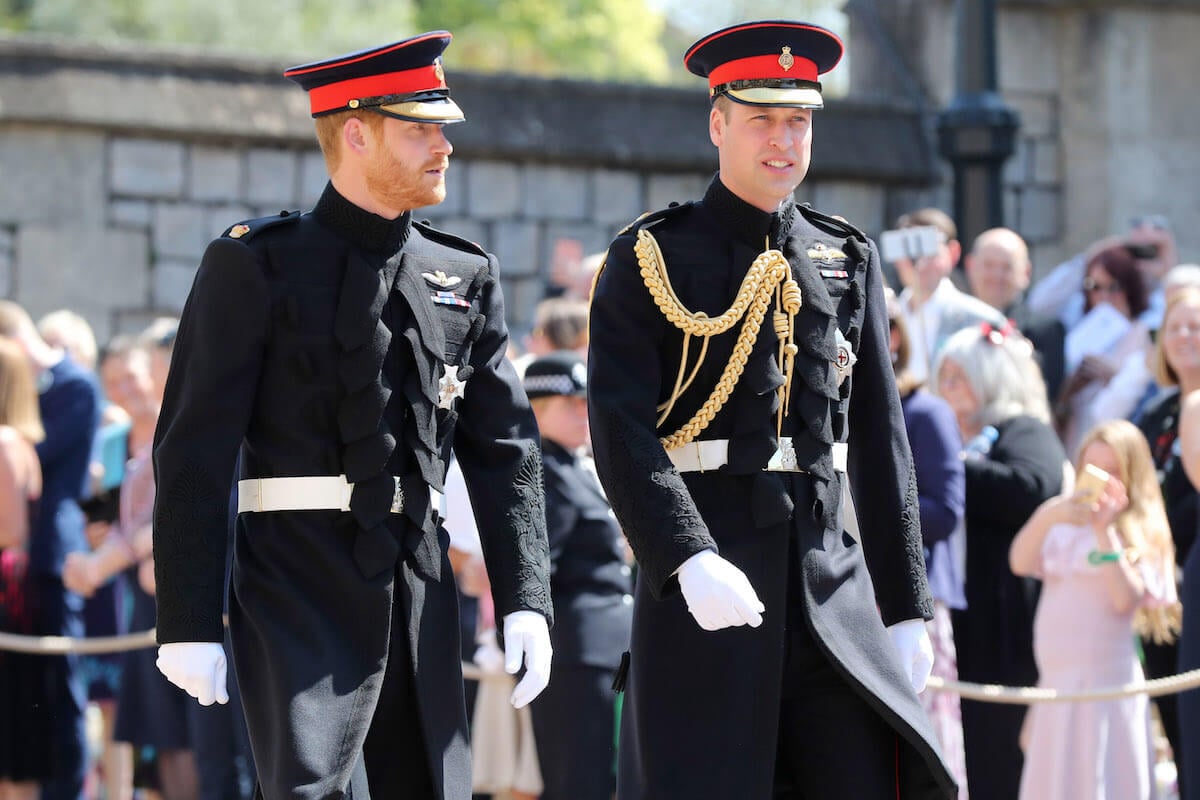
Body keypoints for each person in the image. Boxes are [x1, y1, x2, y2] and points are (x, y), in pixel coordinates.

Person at [150, 31, 553, 800]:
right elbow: (194, 450)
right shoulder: (256, 262)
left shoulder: (462, 273)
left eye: (444, 129)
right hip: (293, 577)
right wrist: (187, 618)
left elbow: (508, 453)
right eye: (420, 130)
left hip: (420, 580)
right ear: (357, 132)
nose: (444, 148)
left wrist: (526, 597)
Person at [588, 20, 956, 799]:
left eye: (799, 121)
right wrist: (686, 555)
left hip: (830, 587)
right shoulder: (650, 255)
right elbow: (620, 430)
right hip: (710, 583)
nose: (784, 140)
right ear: (718, 123)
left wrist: (906, 605)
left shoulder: (845, 254)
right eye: (762, 119)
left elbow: (880, 444)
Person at [931, 323, 1066, 800]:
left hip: (1008, 621)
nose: (947, 387)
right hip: (965, 614)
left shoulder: (1024, 428)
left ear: (990, 377)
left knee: (1001, 750)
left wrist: (953, 467)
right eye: (943, 376)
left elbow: (1032, 488)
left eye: (959, 376)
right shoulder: (946, 433)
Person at [1010, 419, 1177, 800]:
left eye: (1113, 472)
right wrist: (1053, 513)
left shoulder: (1138, 529)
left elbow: (1125, 599)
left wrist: (1106, 531)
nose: (1101, 483)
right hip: (1056, 685)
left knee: (1104, 780)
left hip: (1106, 689)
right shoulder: (1063, 524)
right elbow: (1020, 561)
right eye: (1094, 469)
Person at [0, 300, 101, 800]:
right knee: (31, 690)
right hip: (24, 565)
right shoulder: (44, 389)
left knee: (63, 687)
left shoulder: (76, 384)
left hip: (52, 557)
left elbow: (34, 451)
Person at [523, 351, 632, 800]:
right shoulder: (546, 472)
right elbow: (537, 567)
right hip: (576, 652)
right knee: (578, 780)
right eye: (569, 405)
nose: (582, 414)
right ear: (536, 407)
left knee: (603, 779)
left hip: (606, 650)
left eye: (584, 403)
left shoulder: (574, 468)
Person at [886, 291, 969, 798]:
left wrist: (865, 521)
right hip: (845, 603)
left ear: (893, 337)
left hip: (911, 603)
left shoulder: (925, 412)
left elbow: (945, 511)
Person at [1137, 285, 1200, 791]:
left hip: (1193, 575)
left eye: (1195, 326)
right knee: (1177, 724)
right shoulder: (1156, 413)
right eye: (1175, 327)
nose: (1184, 336)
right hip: (1160, 594)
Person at [1055, 244, 1154, 457]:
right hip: (1076, 438)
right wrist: (1068, 389)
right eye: (1095, 286)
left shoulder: (1143, 334)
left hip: (1119, 442)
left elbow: (1149, 396)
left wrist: (1115, 377)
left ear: (1130, 288)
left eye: (1114, 287)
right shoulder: (1078, 331)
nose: (1104, 295)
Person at [0, 336, 45, 800]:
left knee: (11, 737)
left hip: (6, 595)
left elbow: (11, 531)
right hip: (14, 592)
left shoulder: (6, 442)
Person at [890, 207, 1006, 383]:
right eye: (906, 248)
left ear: (952, 253)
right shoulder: (884, 317)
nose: (918, 262)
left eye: (928, 249)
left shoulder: (983, 320)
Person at [963, 227, 1066, 399]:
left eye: (1007, 267)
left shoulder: (1046, 331)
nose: (997, 275)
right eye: (989, 265)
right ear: (970, 266)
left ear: (1026, 272)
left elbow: (1047, 395)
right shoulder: (953, 321)